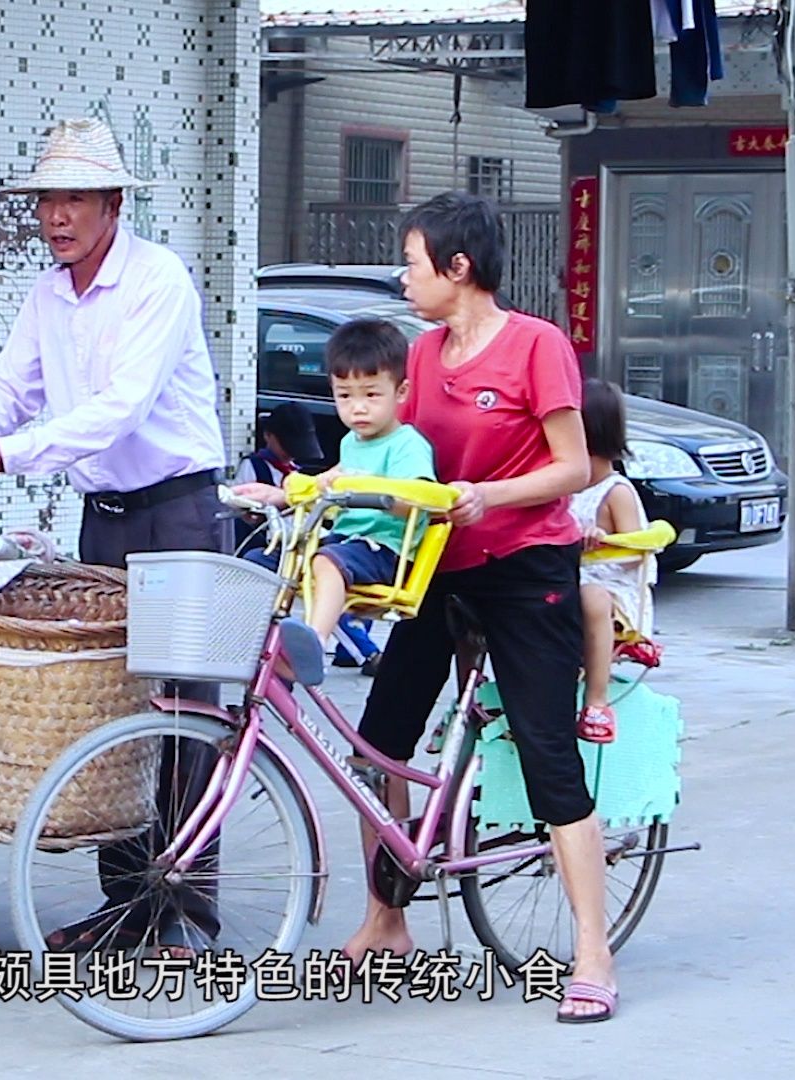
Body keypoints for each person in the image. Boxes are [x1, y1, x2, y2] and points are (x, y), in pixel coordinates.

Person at [0, 117, 227, 958]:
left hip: (180, 515)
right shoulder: (47, 294)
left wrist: (7, 454)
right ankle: (127, 906)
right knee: (116, 715)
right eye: (49, 200)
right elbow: (8, 387)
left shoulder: (158, 280)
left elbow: (119, 408)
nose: (58, 216)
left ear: (113, 204)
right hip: (109, 520)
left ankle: (187, 914)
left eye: (76, 199)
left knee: (187, 716)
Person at [338, 192, 620, 1024]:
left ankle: (593, 952)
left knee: (545, 756)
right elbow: (392, 451)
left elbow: (574, 467)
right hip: (435, 566)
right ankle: (386, 919)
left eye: (413, 262)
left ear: (457, 270)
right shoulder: (420, 356)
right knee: (380, 745)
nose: (403, 277)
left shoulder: (537, 346)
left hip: (526, 566)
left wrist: (487, 497)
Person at [233, 318, 435, 648]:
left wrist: (369, 488)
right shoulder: (351, 443)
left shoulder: (406, 444)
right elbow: (327, 483)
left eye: (371, 394)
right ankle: (257, 645)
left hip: (383, 549)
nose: (358, 408)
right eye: (344, 396)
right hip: (345, 540)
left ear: (401, 392)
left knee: (326, 561)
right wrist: (281, 494)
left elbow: (420, 497)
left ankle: (315, 639)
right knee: (260, 561)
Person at [571, 377, 657, 744]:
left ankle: (596, 701)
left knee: (593, 597)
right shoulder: (562, 486)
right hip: (565, 577)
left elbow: (636, 554)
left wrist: (605, 541)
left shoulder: (615, 492)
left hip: (614, 592)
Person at [232, 402, 324, 557]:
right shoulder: (254, 466)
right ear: (268, 435)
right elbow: (240, 511)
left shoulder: (299, 470)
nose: (290, 454)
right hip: (267, 540)